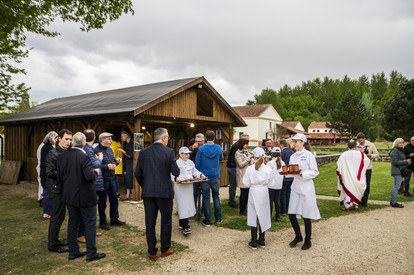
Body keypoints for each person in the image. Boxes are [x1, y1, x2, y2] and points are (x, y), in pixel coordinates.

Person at [57, 132, 106, 262]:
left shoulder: (62, 156)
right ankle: (91, 253)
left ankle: (73, 252)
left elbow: (60, 178)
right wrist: (95, 173)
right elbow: (88, 177)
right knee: (90, 223)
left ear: (72, 142)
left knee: (73, 223)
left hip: (69, 195)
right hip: (85, 196)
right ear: (84, 143)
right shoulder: (83, 157)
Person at [135, 127, 180, 261]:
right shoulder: (169, 152)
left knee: (150, 222)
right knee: (166, 221)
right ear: (164, 138)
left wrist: (145, 185)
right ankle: (165, 249)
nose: (168, 141)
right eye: (168, 138)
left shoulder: (143, 152)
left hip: (148, 192)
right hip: (164, 192)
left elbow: (137, 173)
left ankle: (152, 252)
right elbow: (176, 172)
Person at [286, 133, 320, 250]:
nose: (294, 143)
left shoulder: (309, 155)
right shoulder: (293, 156)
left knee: (306, 214)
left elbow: (315, 171)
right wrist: (288, 172)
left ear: (302, 142)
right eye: (294, 141)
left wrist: (303, 174)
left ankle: (308, 239)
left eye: (296, 141)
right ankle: (298, 236)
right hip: (295, 187)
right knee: (291, 213)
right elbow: (291, 170)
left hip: (306, 187)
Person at [45, 129, 73, 253]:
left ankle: (55, 241)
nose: (68, 142)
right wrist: (65, 173)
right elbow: (49, 172)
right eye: (66, 139)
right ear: (59, 139)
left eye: (70, 139)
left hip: (64, 188)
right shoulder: (53, 153)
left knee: (61, 216)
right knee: (57, 216)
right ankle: (53, 245)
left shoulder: (67, 152)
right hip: (56, 189)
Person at [94, 132, 125, 230]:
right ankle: (102, 222)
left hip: (111, 179)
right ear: (102, 140)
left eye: (111, 139)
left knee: (114, 199)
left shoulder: (110, 150)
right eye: (109, 139)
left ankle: (114, 219)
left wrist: (117, 161)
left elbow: (112, 163)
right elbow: (94, 165)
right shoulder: (96, 150)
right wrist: (107, 166)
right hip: (102, 180)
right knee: (102, 202)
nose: (111, 141)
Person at [77, 129, 104, 243]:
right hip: (91, 181)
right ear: (94, 138)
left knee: (91, 210)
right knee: (87, 210)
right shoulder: (87, 149)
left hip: (93, 181)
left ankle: (90, 231)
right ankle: (82, 234)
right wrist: (99, 160)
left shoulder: (88, 148)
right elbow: (93, 164)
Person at [243, 147, 272, 249]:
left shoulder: (250, 169)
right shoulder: (268, 169)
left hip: (254, 191)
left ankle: (254, 240)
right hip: (263, 191)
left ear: (254, 156)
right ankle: (262, 240)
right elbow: (271, 182)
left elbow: (246, 183)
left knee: (253, 214)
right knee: (263, 213)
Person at [173, 147, 205, 235]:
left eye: (188, 154)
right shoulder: (176, 163)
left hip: (189, 186)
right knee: (182, 204)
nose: (188, 155)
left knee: (187, 204)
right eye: (186, 154)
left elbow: (194, 171)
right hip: (181, 187)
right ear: (180, 154)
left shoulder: (190, 162)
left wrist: (201, 175)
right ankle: (186, 226)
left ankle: (181, 222)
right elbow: (171, 174)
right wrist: (176, 178)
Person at [195, 130, 224, 227]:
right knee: (216, 197)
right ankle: (218, 219)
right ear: (214, 138)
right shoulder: (218, 148)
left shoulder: (201, 149)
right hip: (215, 175)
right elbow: (221, 159)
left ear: (206, 138)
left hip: (205, 177)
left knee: (206, 198)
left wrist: (198, 175)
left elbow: (197, 164)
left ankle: (207, 221)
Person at [336, 140, 370, 211]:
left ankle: (347, 206)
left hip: (347, 175)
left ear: (348, 146)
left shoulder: (344, 154)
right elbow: (367, 162)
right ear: (356, 146)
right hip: (358, 176)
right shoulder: (361, 154)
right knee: (357, 188)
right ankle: (356, 205)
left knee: (347, 188)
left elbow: (338, 165)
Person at [356, 132, 379, 207]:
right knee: (358, 184)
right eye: (359, 141)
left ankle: (364, 202)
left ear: (364, 139)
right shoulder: (355, 146)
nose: (360, 142)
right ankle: (357, 200)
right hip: (358, 168)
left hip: (368, 168)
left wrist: (370, 155)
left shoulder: (371, 145)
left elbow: (377, 154)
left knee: (367, 185)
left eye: (361, 141)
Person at [226, 134, 249, 208]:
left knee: (234, 185)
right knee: (233, 184)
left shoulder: (241, 148)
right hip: (232, 167)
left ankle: (233, 200)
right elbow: (239, 162)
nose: (247, 144)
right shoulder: (237, 147)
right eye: (246, 142)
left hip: (234, 166)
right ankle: (232, 201)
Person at [39, 131, 58, 220]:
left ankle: (48, 211)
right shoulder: (50, 148)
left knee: (47, 192)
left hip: (43, 172)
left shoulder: (44, 147)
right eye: (56, 138)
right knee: (48, 193)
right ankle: (47, 213)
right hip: (47, 174)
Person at [235, 138, 255, 216]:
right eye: (246, 144)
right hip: (242, 175)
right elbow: (241, 164)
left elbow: (251, 162)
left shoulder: (247, 152)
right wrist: (248, 158)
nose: (247, 145)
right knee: (243, 193)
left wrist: (253, 159)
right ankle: (242, 210)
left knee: (247, 194)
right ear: (242, 144)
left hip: (248, 175)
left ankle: (245, 209)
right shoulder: (238, 153)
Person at [389, 138, 411, 208]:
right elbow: (395, 162)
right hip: (396, 171)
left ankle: (393, 201)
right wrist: (406, 162)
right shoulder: (395, 151)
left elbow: (400, 161)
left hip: (400, 170)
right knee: (396, 186)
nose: (401, 144)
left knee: (397, 186)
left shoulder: (400, 150)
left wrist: (407, 162)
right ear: (396, 143)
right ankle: (394, 202)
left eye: (402, 142)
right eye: (400, 142)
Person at [267, 147, 285, 221]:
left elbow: (267, 173)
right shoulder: (283, 162)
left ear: (272, 154)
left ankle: (269, 217)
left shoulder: (270, 163)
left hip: (271, 184)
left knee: (270, 200)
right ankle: (277, 217)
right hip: (279, 184)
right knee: (277, 200)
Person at [188, 133, 206, 209]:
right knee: (194, 192)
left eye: (200, 141)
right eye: (196, 141)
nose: (198, 143)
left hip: (204, 172)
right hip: (195, 172)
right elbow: (189, 158)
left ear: (203, 140)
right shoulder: (193, 148)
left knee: (205, 193)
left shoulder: (206, 147)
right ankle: (193, 208)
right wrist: (193, 149)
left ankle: (203, 211)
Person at [279, 139, 294, 216]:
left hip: (284, 174)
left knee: (283, 193)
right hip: (291, 175)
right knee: (288, 192)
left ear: (281, 145)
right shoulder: (292, 152)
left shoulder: (281, 153)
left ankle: (283, 210)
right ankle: (289, 209)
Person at [118, 131, 134, 201]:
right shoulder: (127, 144)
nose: (121, 138)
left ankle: (131, 195)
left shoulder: (132, 143)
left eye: (122, 137)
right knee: (127, 178)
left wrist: (122, 151)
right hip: (128, 163)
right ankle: (127, 195)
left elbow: (130, 155)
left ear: (126, 136)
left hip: (132, 163)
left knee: (130, 178)